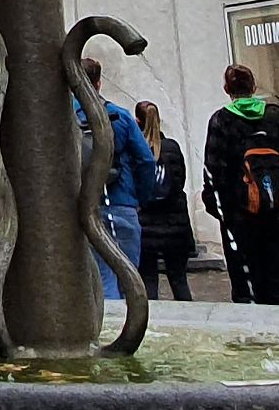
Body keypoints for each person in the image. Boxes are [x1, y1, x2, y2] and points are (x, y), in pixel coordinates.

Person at [201, 64, 279, 306]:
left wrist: (219, 209)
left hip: (239, 213)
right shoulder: (276, 116)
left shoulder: (222, 120)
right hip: (278, 209)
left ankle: (253, 327)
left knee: (246, 277)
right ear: (254, 87)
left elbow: (214, 168)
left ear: (227, 89)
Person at [75, 59, 159, 300]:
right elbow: (146, 161)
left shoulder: (63, 119)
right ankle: (130, 330)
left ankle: (107, 329)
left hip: (81, 206)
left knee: (100, 278)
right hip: (122, 203)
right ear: (99, 83)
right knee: (128, 275)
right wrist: (140, 197)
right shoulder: (118, 116)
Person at [133, 101, 195, 302]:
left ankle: (150, 327)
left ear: (137, 121)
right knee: (179, 281)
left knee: (149, 283)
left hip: (147, 226)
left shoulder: (136, 150)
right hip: (176, 225)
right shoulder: (173, 148)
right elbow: (180, 181)